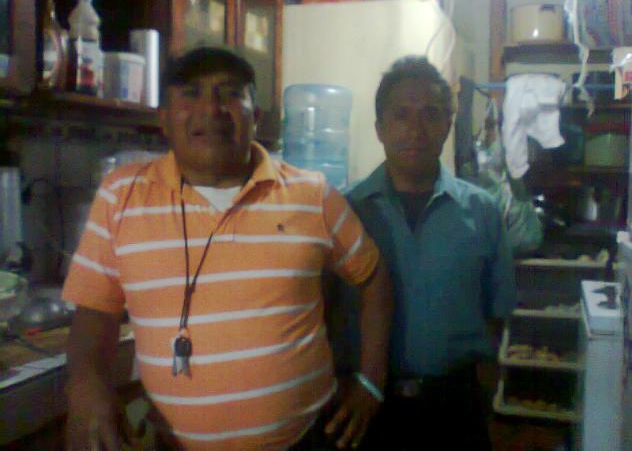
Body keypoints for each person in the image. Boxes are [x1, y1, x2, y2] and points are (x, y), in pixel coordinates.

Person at [63, 47, 392, 451]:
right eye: (191, 93)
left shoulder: (313, 194)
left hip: (307, 439)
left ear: (257, 116)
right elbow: (95, 312)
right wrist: (85, 384)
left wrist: (371, 382)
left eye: (230, 93)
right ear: (163, 118)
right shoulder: (121, 196)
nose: (211, 109)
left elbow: (373, 276)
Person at [338, 56, 516, 450]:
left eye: (431, 114)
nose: (416, 129)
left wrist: (482, 390)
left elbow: (497, 312)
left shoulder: (482, 212)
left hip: (456, 407)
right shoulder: (346, 212)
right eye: (401, 115)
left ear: (448, 125)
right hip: (368, 404)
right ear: (380, 128)